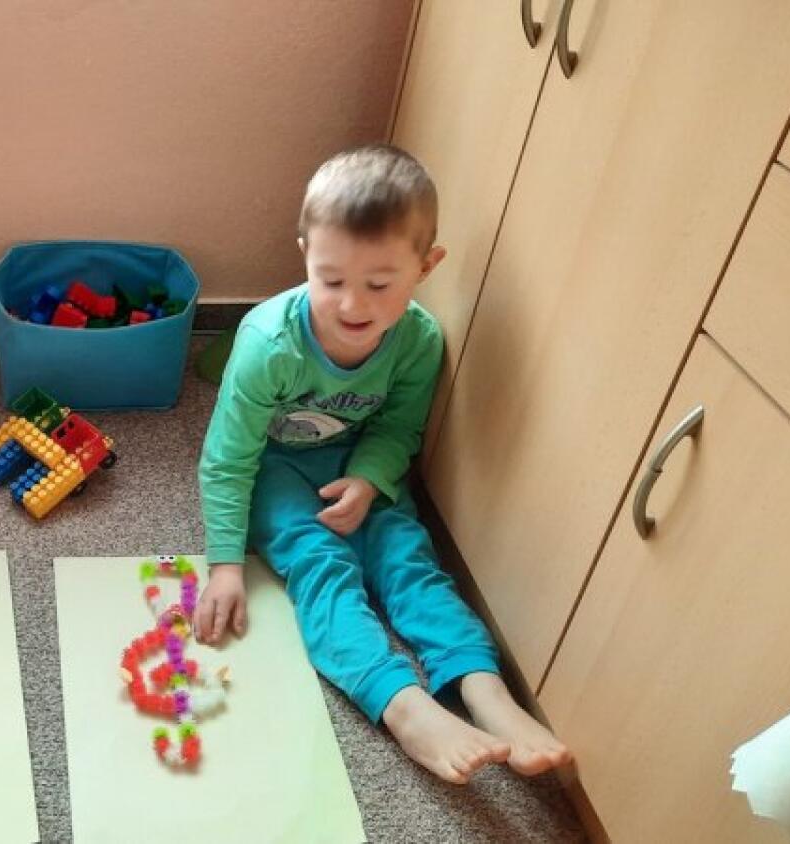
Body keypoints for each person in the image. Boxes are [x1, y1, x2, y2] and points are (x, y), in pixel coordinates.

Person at [194, 144, 570, 784]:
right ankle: (402, 704)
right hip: (274, 466)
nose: (351, 306)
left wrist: (369, 480)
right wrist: (226, 565)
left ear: (426, 267)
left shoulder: (419, 340)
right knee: (322, 563)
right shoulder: (267, 344)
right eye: (331, 280)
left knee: (406, 557)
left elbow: (398, 427)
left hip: (358, 458)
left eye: (378, 284)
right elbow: (228, 459)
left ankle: (482, 688)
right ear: (305, 254)